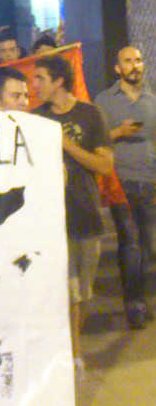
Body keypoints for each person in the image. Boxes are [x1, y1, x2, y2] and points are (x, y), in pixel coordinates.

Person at [32, 55, 113, 373]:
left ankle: (73, 345)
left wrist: (66, 145)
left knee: (84, 292)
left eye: (40, 78)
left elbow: (104, 165)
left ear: (59, 81)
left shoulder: (90, 114)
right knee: (64, 289)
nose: (35, 85)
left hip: (85, 213)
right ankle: (71, 350)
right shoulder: (36, 118)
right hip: (50, 220)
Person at [95, 46, 156, 329]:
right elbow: (95, 139)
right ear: (117, 68)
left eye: (138, 60)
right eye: (128, 61)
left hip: (148, 181)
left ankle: (140, 296)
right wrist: (119, 132)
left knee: (147, 244)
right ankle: (134, 303)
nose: (135, 65)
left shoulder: (151, 100)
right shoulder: (105, 101)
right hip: (120, 181)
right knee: (130, 242)